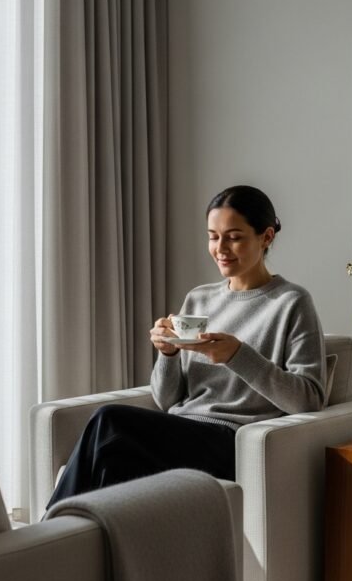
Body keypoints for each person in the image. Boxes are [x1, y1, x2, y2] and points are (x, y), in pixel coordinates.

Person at [45, 185, 326, 508]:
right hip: (181, 429)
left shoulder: (292, 302)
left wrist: (237, 355)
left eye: (234, 237)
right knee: (113, 466)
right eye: (213, 236)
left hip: (232, 441)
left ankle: (47, 538)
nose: (221, 248)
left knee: (109, 421)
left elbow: (309, 400)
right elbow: (166, 401)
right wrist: (168, 353)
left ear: (265, 237)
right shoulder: (200, 298)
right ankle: (83, 552)